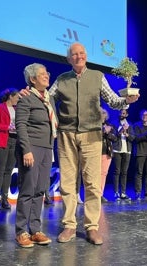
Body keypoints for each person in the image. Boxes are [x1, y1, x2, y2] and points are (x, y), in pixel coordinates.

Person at [50, 42, 139, 245]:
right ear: (68, 59)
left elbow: (113, 100)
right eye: (74, 54)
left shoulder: (98, 76)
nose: (78, 56)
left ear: (86, 56)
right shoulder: (61, 80)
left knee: (92, 182)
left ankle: (91, 227)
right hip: (66, 134)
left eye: (81, 53)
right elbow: (47, 99)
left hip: (92, 134)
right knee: (68, 182)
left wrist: (127, 101)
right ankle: (69, 225)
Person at [14, 63, 58, 248]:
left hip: (47, 148)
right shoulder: (26, 98)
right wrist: (26, 150)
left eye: (47, 73)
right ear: (32, 79)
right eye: (42, 74)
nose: (47, 76)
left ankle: (35, 229)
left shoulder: (48, 99)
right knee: (28, 190)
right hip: (31, 148)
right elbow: (21, 125)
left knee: (40, 189)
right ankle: (21, 231)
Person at [0, 88, 19, 209]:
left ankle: (5, 199)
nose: (18, 99)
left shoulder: (17, 109)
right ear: (10, 96)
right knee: (0, 170)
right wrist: (7, 127)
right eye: (16, 97)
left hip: (14, 141)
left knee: (9, 171)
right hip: (1, 139)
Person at [112, 109, 135, 201]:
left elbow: (133, 138)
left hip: (127, 150)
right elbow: (113, 137)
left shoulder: (130, 124)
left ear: (127, 114)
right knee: (117, 171)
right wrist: (121, 130)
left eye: (124, 113)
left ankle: (123, 193)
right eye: (121, 113)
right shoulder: (114, 123)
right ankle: (116, 192)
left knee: (124, 172)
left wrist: (127, 134)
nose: (122, 114)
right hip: (117, 150)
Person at [100, 107, 117, 203]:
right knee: (95, 174)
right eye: (101, 113)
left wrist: (107, 133)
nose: (103, 115)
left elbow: (115, 138)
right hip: (96, 152)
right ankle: (93, 194)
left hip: (107, 152)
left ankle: (100, 194)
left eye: (104, 113)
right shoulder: (94, 126)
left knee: (103, 174)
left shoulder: (110, 126)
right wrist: (103, 131)